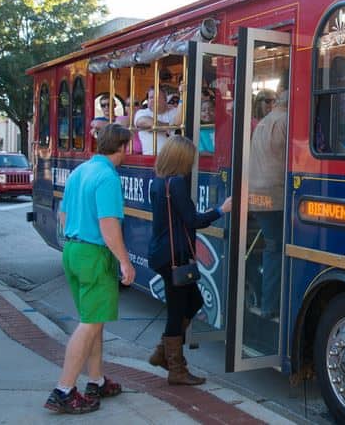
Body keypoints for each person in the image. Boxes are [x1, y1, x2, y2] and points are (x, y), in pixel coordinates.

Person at [44, 124, 136, 414]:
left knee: (93, 319)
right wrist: (124, 261)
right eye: (128, 146)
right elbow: (109, 225)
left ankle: (95, 380)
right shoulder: (108, 177)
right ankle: (64, 389)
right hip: (94, 253)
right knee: (89, 325)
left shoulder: (80, 171)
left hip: (72, 249)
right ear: (122, 147)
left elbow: (63, 215)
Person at [147, 135, 232, 385]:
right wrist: (220, 210)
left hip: (162, 253)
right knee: (177, 310)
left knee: (192, 300)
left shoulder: (159, 181)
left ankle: (163, 353)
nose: (193, 163)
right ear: (182, 159)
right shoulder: (177, 184)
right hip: (174, 256)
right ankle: (175, 368)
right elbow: (192, 220)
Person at [249, 73, 288, 319]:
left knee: (272, 247)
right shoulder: (286, 122)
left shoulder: (265, 122)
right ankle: (270, 305)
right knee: (276, 249)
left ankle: (267, 303)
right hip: (277, 196)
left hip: (257, 195)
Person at [134, 85, 181, 155]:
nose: (153, 100)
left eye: (157, 97)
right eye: (151, 98)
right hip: (151, 157)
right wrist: (172, 127)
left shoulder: (174, 111)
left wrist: (156, 128)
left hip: (173, 157)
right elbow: (143, 122)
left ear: (165, 100)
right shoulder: (142, 112)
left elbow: (182, 121)